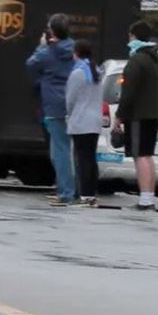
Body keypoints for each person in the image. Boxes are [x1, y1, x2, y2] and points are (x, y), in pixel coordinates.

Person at [114, 21, 158, 211]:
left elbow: (128, 91)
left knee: (140, 156)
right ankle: (148, 197)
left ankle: (145, 201)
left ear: (133, 36)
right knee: (147, 155)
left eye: (130, 35)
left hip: (138, 115)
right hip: (152, 114)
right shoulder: (154, 59)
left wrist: (119, 115)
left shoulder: (136, 60)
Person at [26, 14, 76, 204]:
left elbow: (31, 64)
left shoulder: (47, 52)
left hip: (53, 104)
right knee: (67, 149)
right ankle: (69, 189)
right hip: (72, 102)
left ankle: (66, 192)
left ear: (52, 31)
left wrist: (42, 46)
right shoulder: (74, 48)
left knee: (59, 151)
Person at [65, 39, 103, 208]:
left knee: (82, 160)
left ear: (76, 53)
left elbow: (70, 99)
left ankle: (85, 195)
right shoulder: (97, 70)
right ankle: (91, 194)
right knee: (90, 158)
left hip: (80, 120)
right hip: (95, 121)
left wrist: (68, 114)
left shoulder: (77, 72)